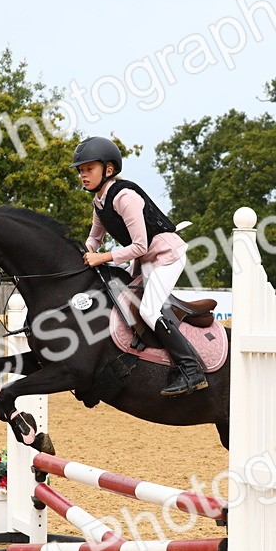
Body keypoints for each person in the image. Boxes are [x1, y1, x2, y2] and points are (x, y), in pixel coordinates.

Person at [72, 136, 208, 398]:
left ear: (108, 170)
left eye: (89, 169)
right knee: (121, 301)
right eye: (80, 170)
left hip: (167, 255)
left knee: (147, 309)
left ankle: (192, 370)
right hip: (146, 261)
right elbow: (94, 239)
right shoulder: (99, 202)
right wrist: (87, 253)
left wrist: (102, 258)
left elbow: (140, 246)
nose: (83, 175)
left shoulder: (124, 196)